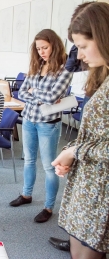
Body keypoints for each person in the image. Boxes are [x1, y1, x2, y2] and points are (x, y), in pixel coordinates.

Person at [52, 2, 109, 258]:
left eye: (83, 46)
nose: (80, 55)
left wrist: (76, 151)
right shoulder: (102, 74)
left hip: (100, 191)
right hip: (88, 187)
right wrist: (71, 150)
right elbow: (94, 133)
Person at [9, 29, 73, 223]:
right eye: (38, 49)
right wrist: (39, 95)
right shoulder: (36, 66)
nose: (41, 52)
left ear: (54, 45)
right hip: (29, 119)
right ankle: (26, 195)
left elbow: (53, 97)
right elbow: (21, 93)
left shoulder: (64, 69)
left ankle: (48, 207)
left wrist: (34, 92)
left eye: (45, 47)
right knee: (29, 160)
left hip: (48, 124)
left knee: (49, 166)